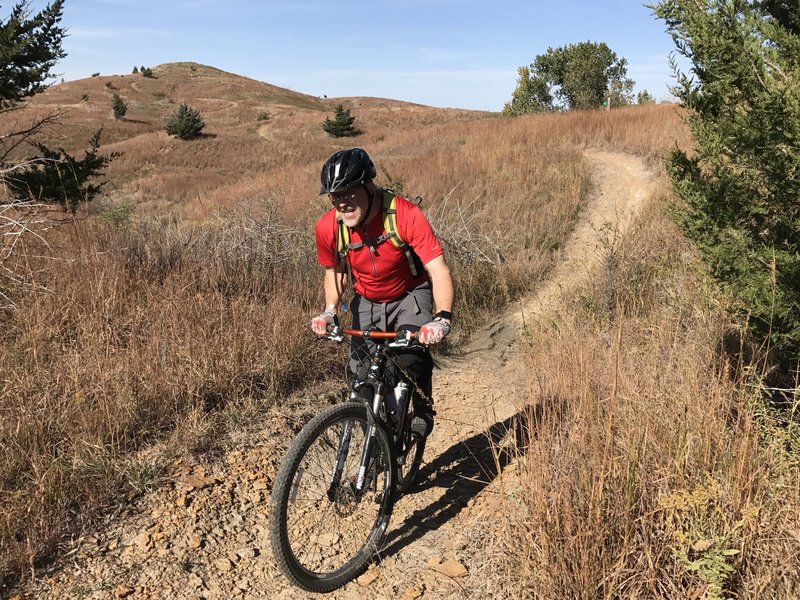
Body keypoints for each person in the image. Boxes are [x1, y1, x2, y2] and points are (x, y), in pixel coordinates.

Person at [311, 147, 454, 439]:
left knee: (410, 357)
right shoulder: (329, 227)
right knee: (361, 378)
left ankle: (422, 405)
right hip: (366, 300)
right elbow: (335, 272)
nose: (342, 203)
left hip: (409, 294)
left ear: (369, 186)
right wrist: (329, 312)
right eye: (335, 196)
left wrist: (441, 319)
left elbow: (437, 268)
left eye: (349, 192)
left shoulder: (404, 214)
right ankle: (378, 447)